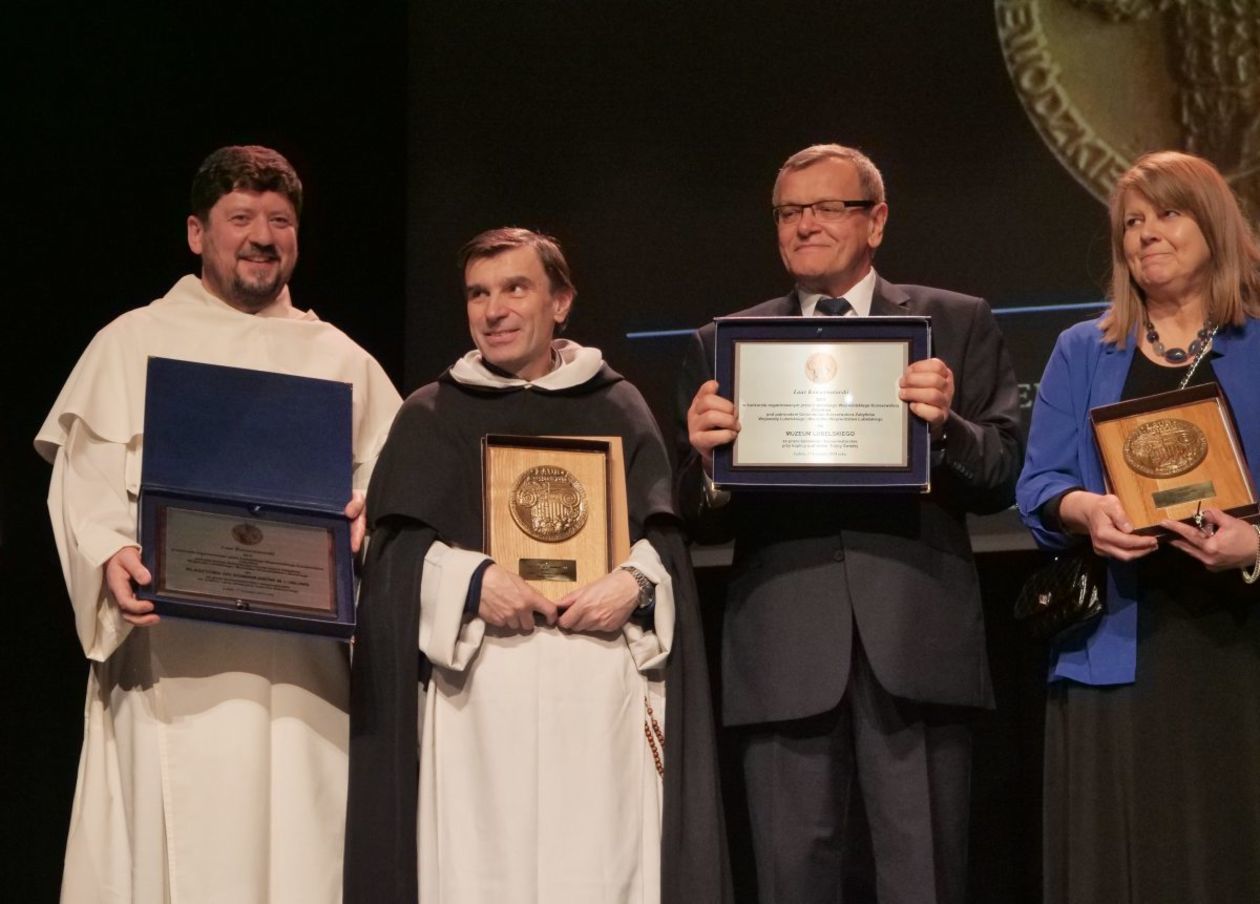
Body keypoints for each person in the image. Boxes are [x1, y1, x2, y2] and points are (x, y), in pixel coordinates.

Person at [35, 145, 403, 904]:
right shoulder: (131, 341)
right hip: (169, 653)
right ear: (197, 233)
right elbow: (85, 483)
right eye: (241, 218)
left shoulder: (342, 360)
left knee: (301, 847)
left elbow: (390, 486)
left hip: (302, 674)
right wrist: (109, 553)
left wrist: (371, 516)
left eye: (280, 220)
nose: (262, 236)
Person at [343, 227, 731, 904]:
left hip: (597, 691)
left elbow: (665, 539)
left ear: (561, 302)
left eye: (515, 288)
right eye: (478, 294)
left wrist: (633, 583)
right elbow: (393, 557)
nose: (494, 310)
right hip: (479, 699)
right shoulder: (430, 415)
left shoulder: (618, 405)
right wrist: (471, 581)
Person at [678, 143, 1022, 904]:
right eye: (789, 212)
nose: (804, 225)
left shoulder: (953, 322)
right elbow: (693, 521)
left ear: (877, 221)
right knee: (790, 879)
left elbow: (1002, 474)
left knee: (924, 878)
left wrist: (944, 428)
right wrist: (707, 466)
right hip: (782, 650)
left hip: (915, 639)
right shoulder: (723, 344)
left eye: (827, 207)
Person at [1017, 150, 1260, 903]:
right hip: (1121, 642)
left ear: (1214, 225)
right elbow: (1040, 485)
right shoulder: (1084, 349)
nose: (1146, 234)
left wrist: (1257, 544)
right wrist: (1086, 510)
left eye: (1168, 214)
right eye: (1131, 222)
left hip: (1242, 642)